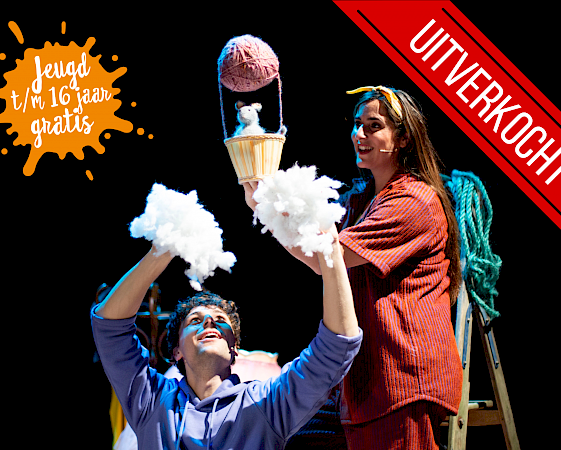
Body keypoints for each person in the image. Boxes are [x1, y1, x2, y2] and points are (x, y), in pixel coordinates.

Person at [243, 85, 463, 450]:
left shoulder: (414, 200)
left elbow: (326, 258)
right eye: (357, 124)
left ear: (404, 138)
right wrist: (264, 203)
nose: (359, 134)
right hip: (365, 380)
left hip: (401, 378)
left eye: (373, 126)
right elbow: (312, 240)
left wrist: (266, 210)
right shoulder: (362, 199)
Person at [91, 223, 362, 450]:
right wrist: (158, 254)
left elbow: (337, 345)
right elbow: (108, 326)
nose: (209, 321)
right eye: (195, 320)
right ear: (177, 351)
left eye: (220, 321)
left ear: (234, 349)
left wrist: (331, 251)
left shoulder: (266, 402)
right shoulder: (151, 399)